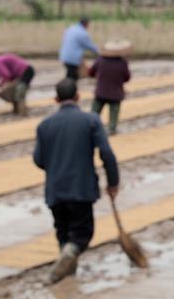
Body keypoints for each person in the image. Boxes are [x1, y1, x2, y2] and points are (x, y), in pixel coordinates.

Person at [34, 79, 120, 284]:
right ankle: (69, 257)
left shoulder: (44, 125)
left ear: (56, 99)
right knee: (82, 233)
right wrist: (113, 181)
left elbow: (39, 160)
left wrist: (56, 167)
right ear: (78, 97)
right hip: (81, 187)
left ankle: (68, 275)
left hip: (55, 188)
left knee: (63, 232)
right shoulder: (91, 120)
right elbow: (106, 153)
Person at [88, 40, 132, 135]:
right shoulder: (122, 63)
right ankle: (111, 130)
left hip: (101, 92)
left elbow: (91, 72)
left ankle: (90, 129)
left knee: (94, 114)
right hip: (116, 94)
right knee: (113, 118)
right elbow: (127, 77)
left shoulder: (100, 60)